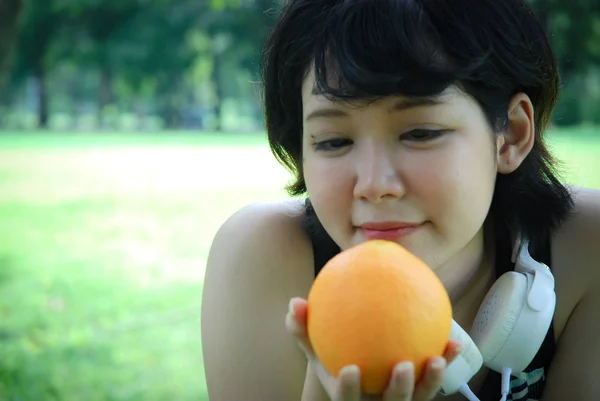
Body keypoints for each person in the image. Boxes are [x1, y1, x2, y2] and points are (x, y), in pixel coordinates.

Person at [201, 0, 600, 400]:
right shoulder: (264, 257)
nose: (374, 185)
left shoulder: (585, 249)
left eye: (420, 133)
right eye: (333, 141)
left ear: (511, 134)